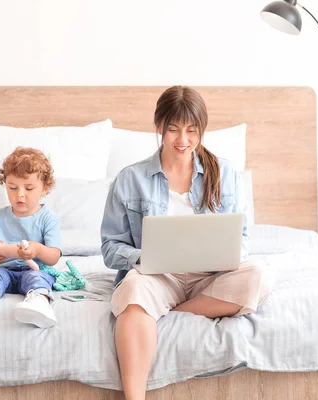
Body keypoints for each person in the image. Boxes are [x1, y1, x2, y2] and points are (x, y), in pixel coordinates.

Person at [101, 86, 275, 399]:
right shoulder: (130, 179)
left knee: (258, 275)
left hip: (210, 278)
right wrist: (144, 258)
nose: (183, 140)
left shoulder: (225, 174)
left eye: (192, 131)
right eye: (173, 130)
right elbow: (110, 249)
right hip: (157, 277)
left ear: (202, 131)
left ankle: (175, 311)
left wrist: (222, 255)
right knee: (132, 289)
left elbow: (242, 241)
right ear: (159, 127)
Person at [0, 147, 62, 328]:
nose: (19, 194)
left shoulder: (49, 219)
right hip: (4, 271)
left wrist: (37, 250)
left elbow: (54, 257)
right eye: (12, 187)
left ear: (45, 188)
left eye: (29, 188)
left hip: (35, 270)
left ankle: (39, 302)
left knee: (38, 279)